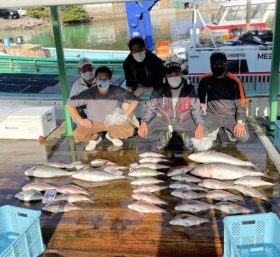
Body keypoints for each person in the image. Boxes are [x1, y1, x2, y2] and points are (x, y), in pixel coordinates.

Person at [137, 58, 205, 150]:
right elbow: (151, 108)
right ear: (166, 76)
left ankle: (182, 133)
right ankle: (165, 134)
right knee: (143, 133)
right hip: (164, 120)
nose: (173, 76)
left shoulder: (189, 88)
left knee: (203, 132)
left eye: (176, 74)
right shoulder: (159, 88)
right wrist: (144, 122)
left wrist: (200, 125)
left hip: (184, 121)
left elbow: (196, 109)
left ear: (181, 74)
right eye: (170, 74)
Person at [67, 66, 139, 151]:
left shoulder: (116, 90)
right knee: (78, 134)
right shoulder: (89, 92)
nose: (103, 79)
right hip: (93, 122)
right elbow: (69, 105)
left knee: (129, 131)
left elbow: (135, 101)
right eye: (100, 77)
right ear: (96, 78)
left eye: (106, 77)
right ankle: (95, 139)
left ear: (110, 79)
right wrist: (80, 120)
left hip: (112, 121)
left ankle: (112, 136)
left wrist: (125, 116)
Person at [197, 52, 250, 142]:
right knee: (198, 134)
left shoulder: (235, 81)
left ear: (226, 64)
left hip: (231, 116)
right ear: (210, 65)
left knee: (244, 137)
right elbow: (200, 96)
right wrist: (199, 119)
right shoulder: (205, 79)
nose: (217, 66)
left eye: (220, 64)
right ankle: (215, 130)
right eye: (214, 64)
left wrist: (240, 122)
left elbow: (242, 103)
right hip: (212, 116)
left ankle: (227, 130)